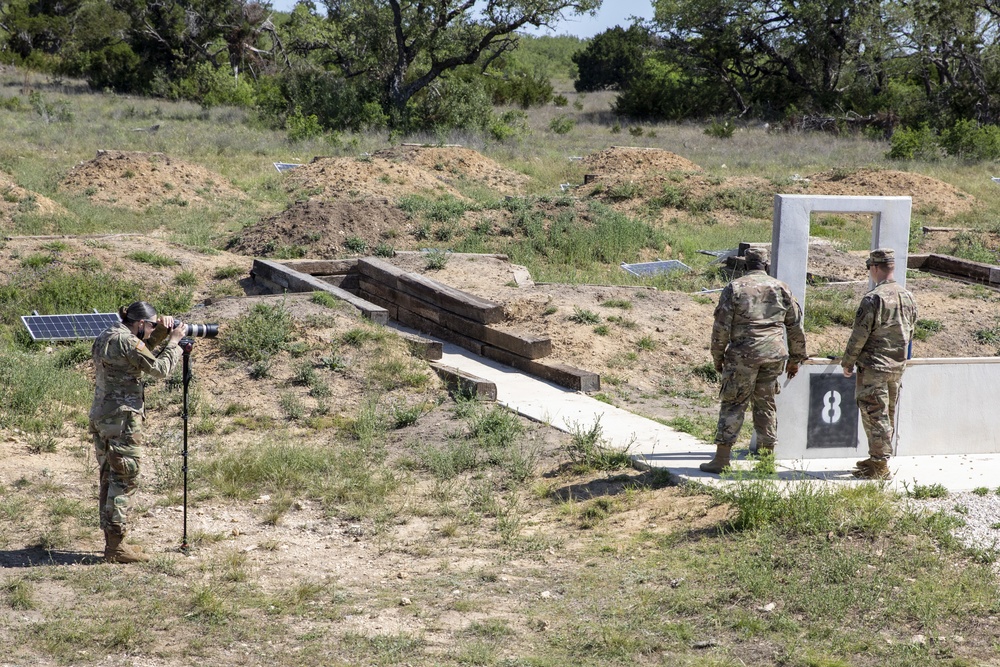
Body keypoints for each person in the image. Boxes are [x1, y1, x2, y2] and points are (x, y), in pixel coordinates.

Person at [90, 301, 185, 563]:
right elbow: (159, 369)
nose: (153, 328)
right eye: (151, 325)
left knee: (110, 478)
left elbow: (138, 357)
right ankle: (116, 548)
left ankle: (113, 543)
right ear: (140, 323)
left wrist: (158, 335)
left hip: (103, 416)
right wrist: (174, 342)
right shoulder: (128, 342)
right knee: (125, 478)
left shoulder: (107, 335)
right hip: (122, 421)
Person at [702, 247, 807, 474]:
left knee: (734, 402)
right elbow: (796, 325)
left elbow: (721, 326)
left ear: (745, 265)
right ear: (766, 265)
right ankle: (767, 460)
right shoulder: (782, 288)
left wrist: (717, 356)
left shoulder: (735, 287)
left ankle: (721, 459)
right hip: (774, 354)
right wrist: (796, 358)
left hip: (743, 355)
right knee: (765, 402)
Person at [841, 248, 917, 480]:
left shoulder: (874, 298)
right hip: (896, 365)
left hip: (875, 366)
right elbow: (911, 332)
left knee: (875, 414)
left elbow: (860, 334)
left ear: (875, 268)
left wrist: (848, 362)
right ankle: (877, 457)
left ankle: (880, 465)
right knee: (887, 414)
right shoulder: (907, 296)